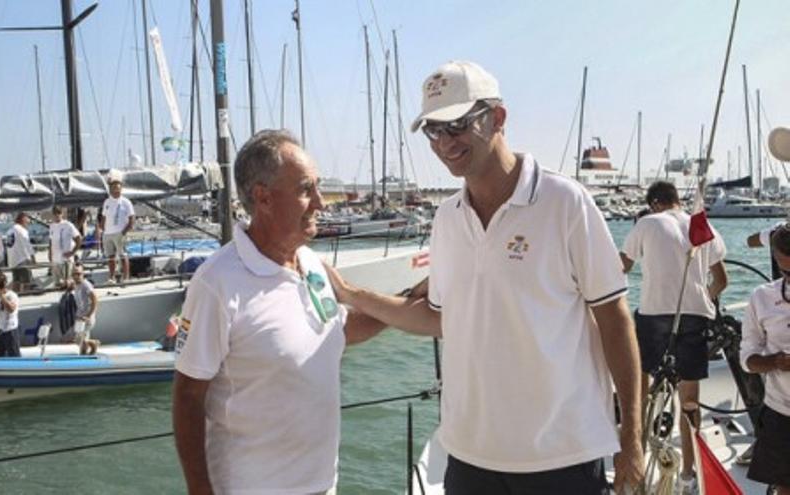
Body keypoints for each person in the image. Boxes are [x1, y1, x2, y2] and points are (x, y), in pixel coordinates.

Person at [325, 61, 644, 494]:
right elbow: (438, 317)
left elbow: (614, 320)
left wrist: (632, 439)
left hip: (562, 454)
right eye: (433, 130)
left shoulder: (565, 203)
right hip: (468, 457)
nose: (445, 142)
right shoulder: (446, 218)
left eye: (457, 124)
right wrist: (351, 294)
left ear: (497, 118)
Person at [172, 130, 385, 495]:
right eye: (306, 190)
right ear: (263, 197)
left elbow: (340, 330)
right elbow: (188, 397)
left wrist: (415, 301)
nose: (320, 202)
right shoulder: (217, 282)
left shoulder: (311, 263)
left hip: (322, 486)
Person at [619, 180, 728, 493]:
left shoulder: (648, 223)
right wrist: (701, 300)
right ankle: (689, 477)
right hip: (694, 319)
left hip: (653, 318)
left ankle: (635, 469)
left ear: (654, 203)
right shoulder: (702, 226)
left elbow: (621, 268)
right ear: (677, 200)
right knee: (690, 402)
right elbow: (722, 280)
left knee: (639, 394)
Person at [741, 224, 790, 495]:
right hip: (781, 411)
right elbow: (747, 358)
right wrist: (775, 362)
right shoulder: (762, 297)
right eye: (787, 272)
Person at [98, 171, 134, 284]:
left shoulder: (126, 202)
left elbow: (132, 219)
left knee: (123, 255)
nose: (116, 190)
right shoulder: (107, 202)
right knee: (110, 257)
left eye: (118, 188)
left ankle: (126, 278)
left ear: (121, 189)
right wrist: (103, 230)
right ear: (110, 189)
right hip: (107, 233)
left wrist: (123, 232)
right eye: (113, 188)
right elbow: (103, 217)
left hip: (120, 233)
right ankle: (111, 277)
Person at [67, 265, 98, 355]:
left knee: (80, 340)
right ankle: (89, 348)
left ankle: (93, 344)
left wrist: (89, 315)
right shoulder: (76, 284)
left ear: (83, 274)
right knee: (79, 340)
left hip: (86, 316)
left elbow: (95, 299)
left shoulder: (86, 285)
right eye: (74, 274)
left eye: (79, 274)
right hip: (80, 316)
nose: (77, 276)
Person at [49, 206, 81, 288]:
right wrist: (50, 253)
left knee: (68, 282)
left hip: (66, 259)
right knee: (57, 284)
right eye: (55, 213)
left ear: (61, 214)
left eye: (58, 213)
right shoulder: (51, 226)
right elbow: (51, 241)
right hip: (55, 259)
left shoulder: (68, 225)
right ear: (52, 215)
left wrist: (72, 252)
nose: (57, 215)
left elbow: (78, 238)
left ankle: (71, 298)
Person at [5, 212, 36, 291]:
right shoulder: (22, 230)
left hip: (13, 261)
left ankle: (16, 298)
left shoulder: (10, 230)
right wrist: (33, 258)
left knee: (16, 282)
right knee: (27, 283)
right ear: (23, 219)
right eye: (28, 218)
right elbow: (28, 245)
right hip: (22, 259)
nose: (29, 221)